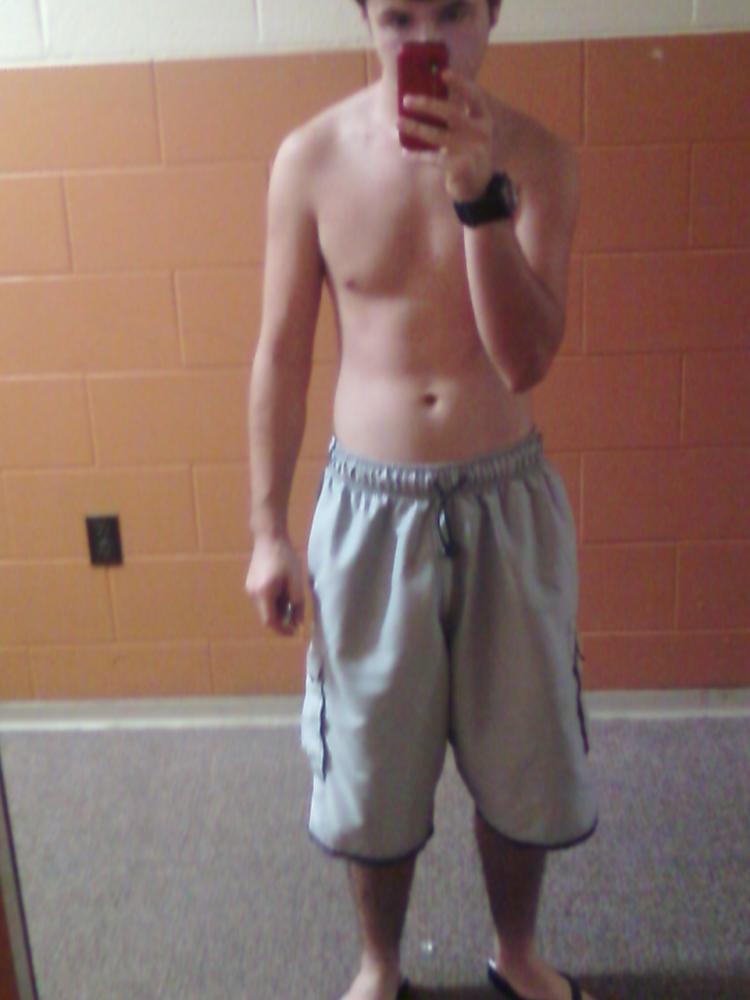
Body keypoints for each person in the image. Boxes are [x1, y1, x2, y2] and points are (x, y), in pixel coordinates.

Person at [245, 1, 598, 998]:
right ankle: (380, 963)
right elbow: (280, 353)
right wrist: (268, 529)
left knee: (525, 750)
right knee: (370, 756)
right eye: (397, 16)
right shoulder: (310, 158)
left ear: (492, 15)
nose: (423, 40)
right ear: (365, 19)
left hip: (505, 497)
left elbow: (524, 358)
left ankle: (516, 951)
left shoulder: (539, 158)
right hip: (369, 508)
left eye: (450, 12)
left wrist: (478, 198)